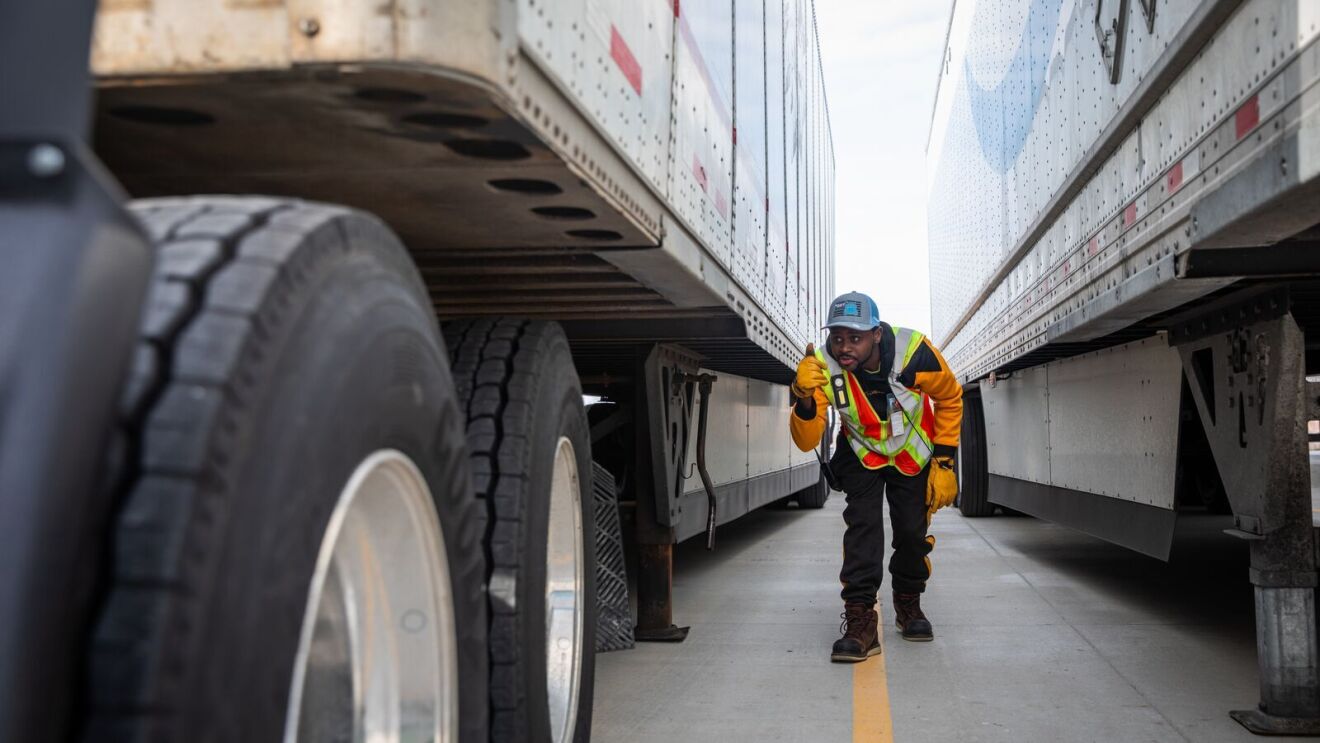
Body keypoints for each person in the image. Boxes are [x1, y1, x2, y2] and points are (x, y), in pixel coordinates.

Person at [789, 291, 962, 662]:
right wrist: (803, 395)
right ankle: (860, 619)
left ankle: (908, 604)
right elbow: (805, 440)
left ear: (876, 335)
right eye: (837, 337)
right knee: (863, 528)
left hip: (911, 455)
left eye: (855, 338)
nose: (844, 347)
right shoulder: (821, 365)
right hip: (863, 454)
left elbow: (950, 398)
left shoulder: (914, 352)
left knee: (912, 535)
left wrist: (945, 463)